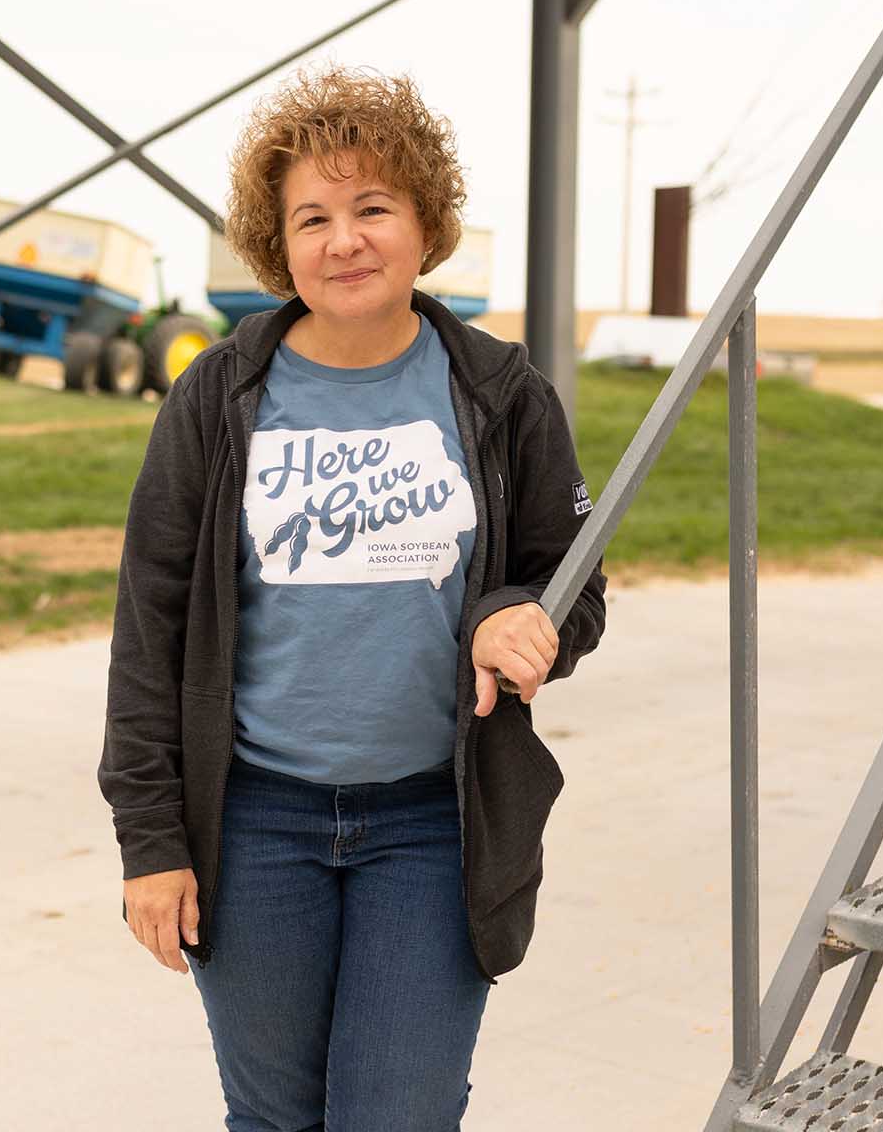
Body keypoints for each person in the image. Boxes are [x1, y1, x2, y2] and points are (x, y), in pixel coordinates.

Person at [98, 63, 607, 1130]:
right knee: (275, 1118)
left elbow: (574, 584)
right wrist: (152, 840)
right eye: (312, 217)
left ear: (426, 223)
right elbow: (149, 627)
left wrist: (526, 618)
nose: (345, 240)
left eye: (374, 207)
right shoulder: (217, 397)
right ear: (277, 244)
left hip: (432, 820)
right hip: (254, 824)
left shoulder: (501, 392)